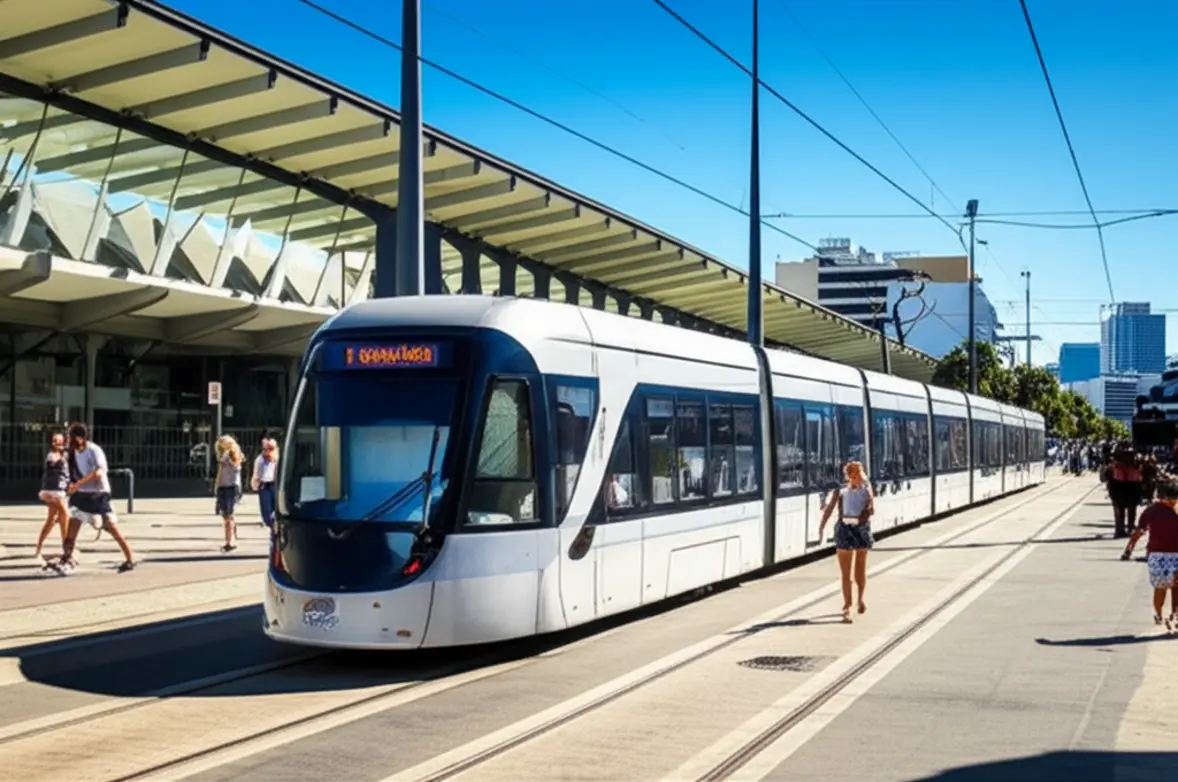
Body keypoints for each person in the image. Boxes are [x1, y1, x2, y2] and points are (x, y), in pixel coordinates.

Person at [53, 422, 135, 574]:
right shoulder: (72, 452)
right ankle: (66, 559)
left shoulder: (94, 450)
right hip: (82, 495)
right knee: (72, 527)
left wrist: (79, 484)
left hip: (99, 494)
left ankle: (129, 558)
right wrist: (72, 487)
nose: (68, 440)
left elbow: (98, 472)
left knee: (112, 527)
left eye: (70, 437)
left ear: (79, 438)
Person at [818, 460, 875, 624]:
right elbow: (829, 508)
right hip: (844, 529)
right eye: (854, 474)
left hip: (861, 529)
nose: (858, 477)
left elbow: (872, 508)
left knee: (860, 570)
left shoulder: (866, 489)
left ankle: (861, 599)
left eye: (860, 473)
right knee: (845, 573)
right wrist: (822, 526)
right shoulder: (841, 490)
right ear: (849, 476)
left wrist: (867, 490)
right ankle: (847, 606)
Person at [1134, 481, 1178, 633]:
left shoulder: (1151, 510)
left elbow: (1139, 531)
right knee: (1173, 587)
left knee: (1162, 588)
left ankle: (1163, 614)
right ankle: (1169, 616)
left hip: (1158, 556)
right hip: (1170, 554)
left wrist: (1129, 549)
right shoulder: (1168, 510)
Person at [34, 431, 70, 562]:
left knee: (51, 519)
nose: (59, 443)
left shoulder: (64, 454)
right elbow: (52, 464)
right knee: (65, 515)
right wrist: (61, 456)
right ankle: (66, 548)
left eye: (61, 440)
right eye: (56, 441)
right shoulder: (52, 455)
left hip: (60, 489)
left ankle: (39, 547)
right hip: (53, 491)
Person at [214, 435, 244, 552]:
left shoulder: (233, 454)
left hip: (231, 487)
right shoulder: (223, 455)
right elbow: (220, 472)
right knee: (225, 515)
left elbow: (236, 466)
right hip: (223, 486)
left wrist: (232, 451)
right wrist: (216, 485)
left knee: (229, 515)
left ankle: (230, 540)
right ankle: (231, 537)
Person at [250, 436, 280, 530]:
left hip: (274, 484)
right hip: (264, 485)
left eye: (270, 449)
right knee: (265, 509)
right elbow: (256, 473)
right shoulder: (260, 459)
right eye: (265, 449)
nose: (267, 451)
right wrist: (255, 483)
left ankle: (275, 525)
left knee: (276, 507)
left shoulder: (278, 459)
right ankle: (269, 524)